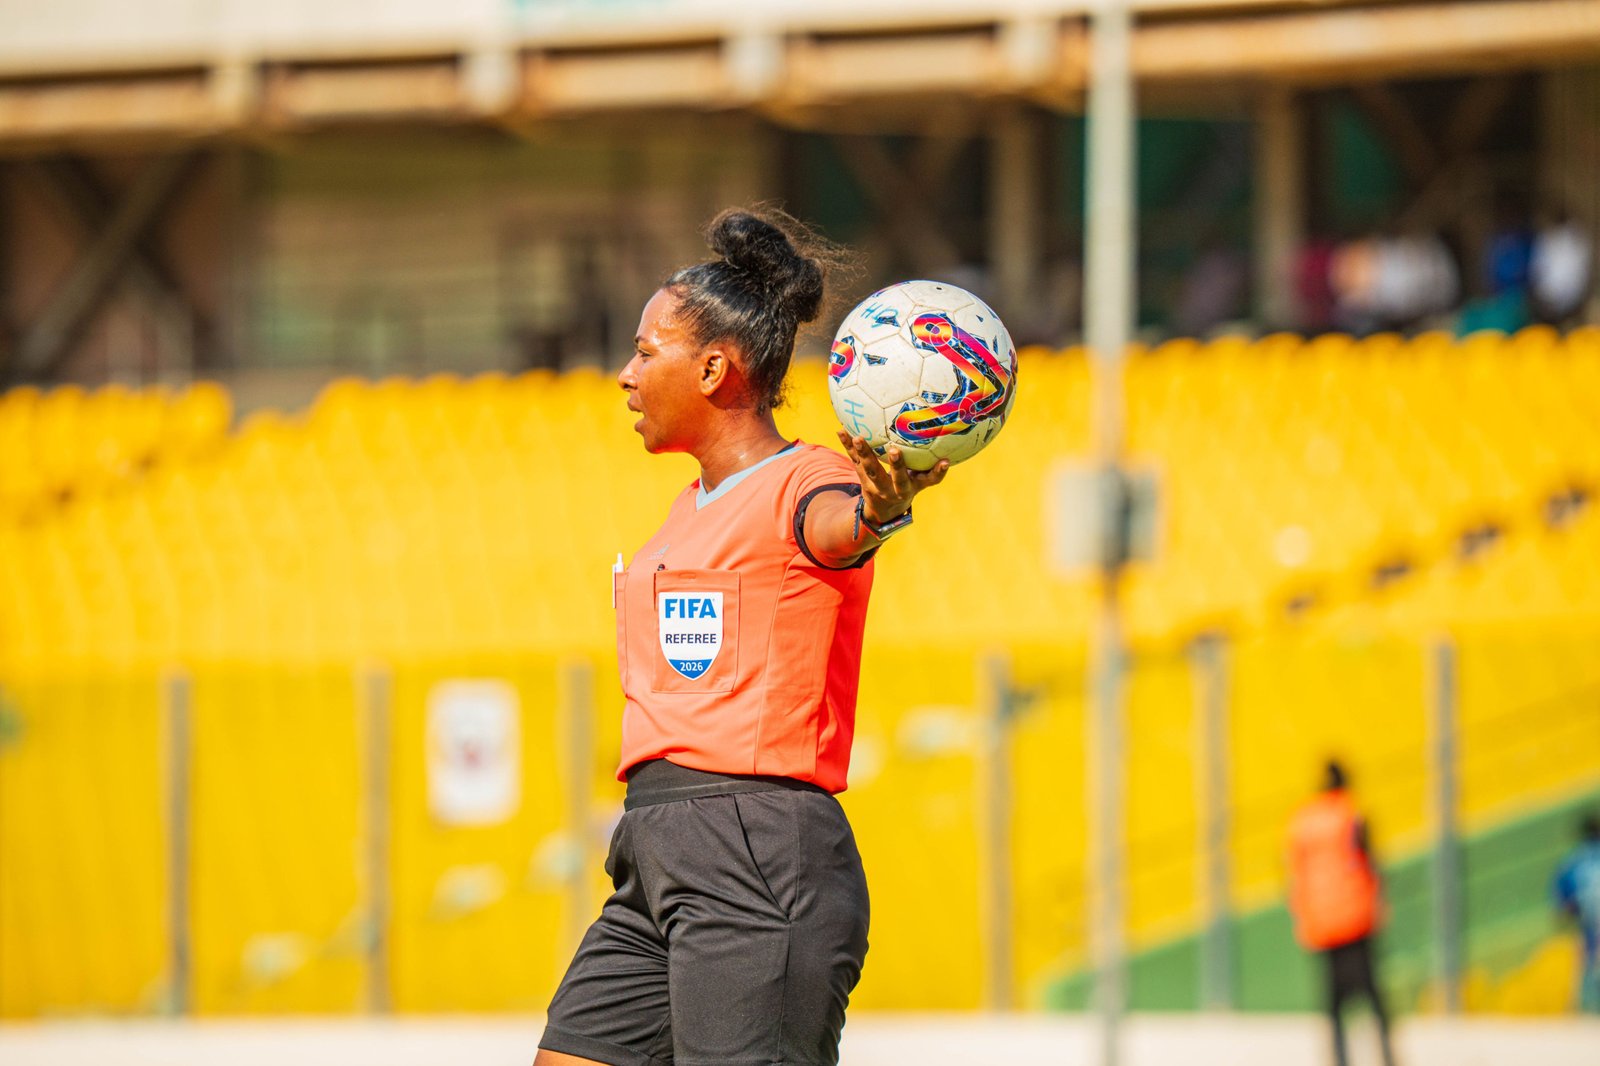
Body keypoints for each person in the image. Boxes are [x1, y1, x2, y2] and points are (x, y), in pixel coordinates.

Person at [534, 207, 951, 1066]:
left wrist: (878, 512)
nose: (625, 375)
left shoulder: (808, 480)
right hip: (653, 856)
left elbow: (838, 529)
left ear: (714, 368)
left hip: (755, 854)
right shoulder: (687, 509)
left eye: (646, 352)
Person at [1288, 760, 1398, 1066]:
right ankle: (1387, 1055)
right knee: (1373, 994)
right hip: (1354, 917)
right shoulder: (1351, 815)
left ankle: (1339, 1058)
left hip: (1321, 921)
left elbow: (1293, 870)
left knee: (1333, 1000)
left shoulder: (1302, 821)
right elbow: (1370, 860)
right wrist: (1379, 901)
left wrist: (1303, 914)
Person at [1551, 813, 1600, 1013]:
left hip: (1589, 924)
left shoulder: (1571, 863)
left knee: (1588, 960)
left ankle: (1585, 1008)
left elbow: (1564, 907)